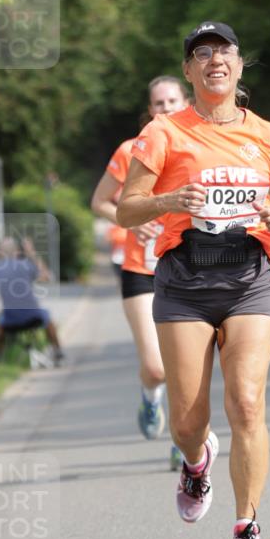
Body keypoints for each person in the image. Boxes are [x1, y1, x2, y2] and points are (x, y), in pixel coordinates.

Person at [117, 21, 270, 539]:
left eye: (224, 51)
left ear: (240, 66)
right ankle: (196, 462)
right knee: (187, 421)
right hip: (185, 282)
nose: (214, 60)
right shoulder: (163, 133)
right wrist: (170, 197)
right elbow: (128, 208)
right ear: (188, 71)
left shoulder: (268, 135)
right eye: (202, 53)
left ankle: (248, 528)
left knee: (246, 401)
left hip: (251, 278)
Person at [91, 76, 189, 470]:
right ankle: (151, 400)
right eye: (158, 103)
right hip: (140, 268)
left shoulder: (197, 148)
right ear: (149, 110)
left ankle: (184, 443)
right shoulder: (130, 151)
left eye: (171, 101)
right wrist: (130, 222)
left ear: (184, 102)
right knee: (156, 366)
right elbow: (100, 201)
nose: (165, 108)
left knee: (184, 366)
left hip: (184, 266)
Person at [0, 237, 63, 363]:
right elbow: (47, 276)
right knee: (49, 320)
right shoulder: (25, 264)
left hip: (10, 319)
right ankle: (57, 351)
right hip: (33, 316)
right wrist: (31, 253)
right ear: (17, 251)